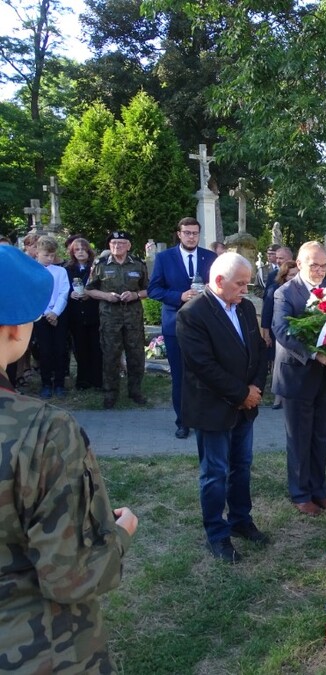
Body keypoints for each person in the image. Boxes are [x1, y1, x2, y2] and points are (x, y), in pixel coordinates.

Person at [0, 245, 138, 672]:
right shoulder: (42, 431)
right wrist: (120, 535)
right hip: (36, 649)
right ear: (15, 330)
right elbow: (71, 576)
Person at [176, 252, 269, 563]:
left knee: (241, 466)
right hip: (213, 408)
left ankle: (241, 520)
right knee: (215, 473)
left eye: (247, 283)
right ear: (218, 281)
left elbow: (259, 351)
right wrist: (242, 393)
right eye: (240, 284)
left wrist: (255, 389)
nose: (245, 290)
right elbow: (203, 366)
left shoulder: (244, 308)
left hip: (246, 405)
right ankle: (217, 534)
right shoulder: (192, 314)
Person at [272, 241, 326, 516]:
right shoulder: (285, 293)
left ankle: (319, 491)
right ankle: (301, 493)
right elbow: (282, 330)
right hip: (297, 375)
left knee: (320, 437)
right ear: (300, 263)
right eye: (314, 265)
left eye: (324, 266)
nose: (320, 271)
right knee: (299, 439)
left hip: (325, 377)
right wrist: (316, 354)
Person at [148, 217, 216, 438]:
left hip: (204, 325)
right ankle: (183, 421)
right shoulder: (164, 258)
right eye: (187, 233)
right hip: (175, 324)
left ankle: (203, 418)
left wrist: (210, 289)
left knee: (204, 374)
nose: (191, 237)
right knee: (180, 376)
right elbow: (154, 290)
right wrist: (180, 296)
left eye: (195, 233)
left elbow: (220, 285)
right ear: (179, 234)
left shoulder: (210, 257)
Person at [85, 231, 149, 409]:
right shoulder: (100, 264)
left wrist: (135, 295)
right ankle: (110, 394)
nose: (117, 246)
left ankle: (135, 391)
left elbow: (149, 289)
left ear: (128, 246)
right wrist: (106, 296)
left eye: (121, 243)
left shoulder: (138, 264)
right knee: (110, 355)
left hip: (133, 317)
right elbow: (89, 289)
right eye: (113, 243)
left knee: (136, 355)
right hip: (110, 317)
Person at [32, 236, 70, 399]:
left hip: (58, 314)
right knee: (45, 351)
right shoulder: (32, 271)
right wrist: (46, 312)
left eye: (52, 255)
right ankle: (46, 383)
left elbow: (63, 293)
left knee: (60, 349)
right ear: (37, 253)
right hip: (41, 315)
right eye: (46, 255)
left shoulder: (60, 271)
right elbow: (33, 295)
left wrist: (55, 312)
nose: (49, 258)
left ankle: (59, 384)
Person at [64, 238, 103, 390]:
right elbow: (63, 288)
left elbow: (101, 286)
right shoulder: (67, 269)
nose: (80, 252)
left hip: (93, 312)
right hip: (76, 314)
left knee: (96, 347)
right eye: (77, 250)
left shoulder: (96, 268)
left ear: (88, 251)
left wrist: (90, 294)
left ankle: (97, 380)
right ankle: (83, 381)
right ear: (73, 252)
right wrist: (70, 294)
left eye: (83, 249)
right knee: (80, 348)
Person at [261, 260, 298, 410]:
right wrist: (266, 334)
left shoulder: (300, 290)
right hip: (278, 331)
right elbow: (266, 313)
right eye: (291, 275)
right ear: (284, 275)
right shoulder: (274, 289)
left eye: (296, 274)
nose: (294, 278)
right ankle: (278, 397)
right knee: (279, 363)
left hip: (296, 332)